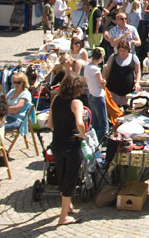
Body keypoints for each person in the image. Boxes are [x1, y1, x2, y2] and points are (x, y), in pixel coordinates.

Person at [47, 73, 87, 226]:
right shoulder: (76, 102)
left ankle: (67, 205)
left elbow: (50, 123)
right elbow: (80, 122)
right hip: (71, 143)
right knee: (71, 177)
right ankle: (63, 216)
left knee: (62, 174)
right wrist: (82, 135)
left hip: (57, 141)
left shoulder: (56, 99)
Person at [102, 41, 141, 107]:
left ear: (128, 50)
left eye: (124, 50)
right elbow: (106, 70)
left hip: (128, 91)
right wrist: (102, 80)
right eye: (120, 50)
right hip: (113, 91)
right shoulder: (113, 57)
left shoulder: (134, 58)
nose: (122, 52)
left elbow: (138, 72)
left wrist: (137, 83)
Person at [83, 47, 109, 140]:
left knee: (94, 123)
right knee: (103, 125)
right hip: (98, 96)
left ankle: (93, 140)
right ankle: (98, 142)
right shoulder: (96, 70)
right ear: (101, 57)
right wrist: (104, 82)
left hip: (91, 95)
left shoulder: (87, 67)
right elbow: (101, 85)